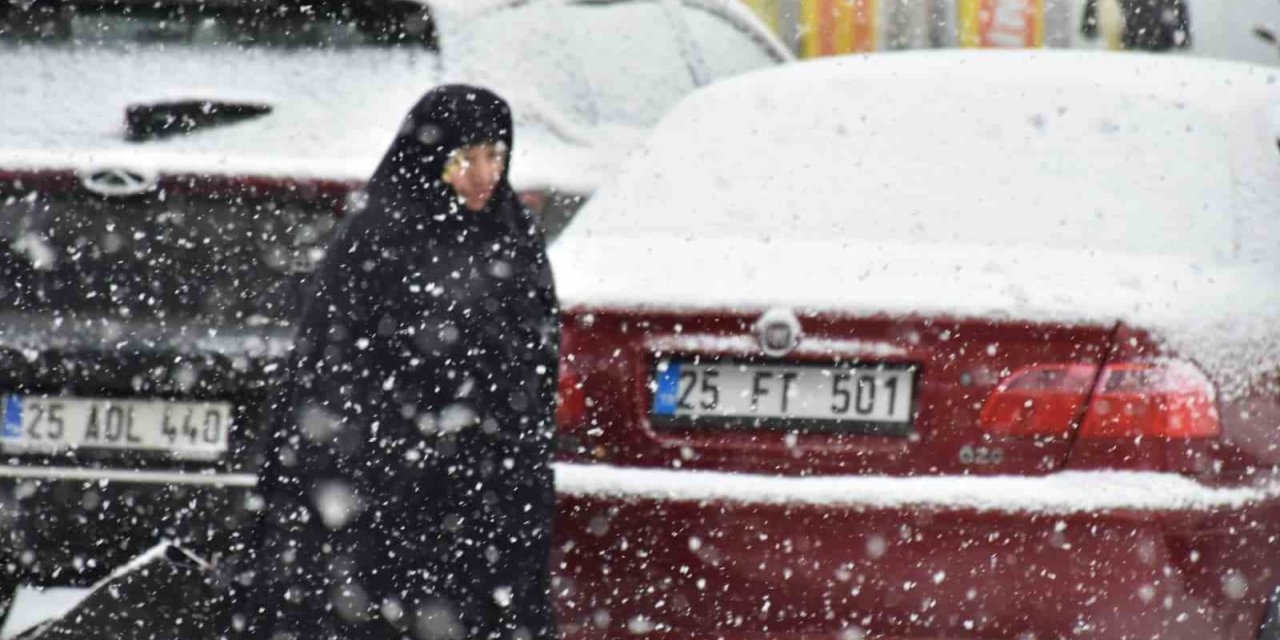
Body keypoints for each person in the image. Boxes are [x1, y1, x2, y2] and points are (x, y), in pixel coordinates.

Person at [241, 85, 560, 640]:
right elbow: (332, 368)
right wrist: (409, 439)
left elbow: (536, 350)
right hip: (393, 484)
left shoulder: (512, 233)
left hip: (487, 483)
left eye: (496, 157)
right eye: (467, 159)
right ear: (431, 160)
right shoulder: (380, 237)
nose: (485, 175)